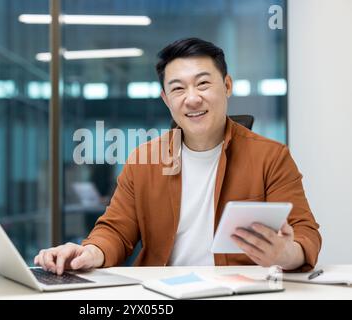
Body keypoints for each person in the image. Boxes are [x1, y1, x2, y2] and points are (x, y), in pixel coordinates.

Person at [34, 38, 321, 275]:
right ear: (166, 99)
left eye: (203, 84)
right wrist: (88, 252)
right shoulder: (144, 159)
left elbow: (305, 233)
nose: (192, 98)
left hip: (238, 292)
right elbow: (116, 231)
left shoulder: (271, 156)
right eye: (178, 88)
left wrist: (286, 253)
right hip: (162, 297)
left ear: (228, 86)